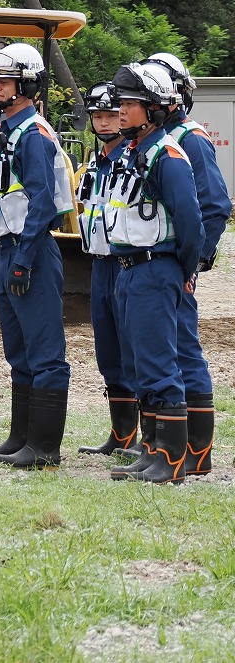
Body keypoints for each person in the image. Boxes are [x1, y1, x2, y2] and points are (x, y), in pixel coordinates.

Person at [0, 43, 74, 469]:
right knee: (19, 350)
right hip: (9, 247)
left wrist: (24, 259)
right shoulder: (9, 131)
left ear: (27, 85)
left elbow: (42, 205)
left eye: (4, 80)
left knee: (45, 351)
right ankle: (21, 437)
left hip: (31, 251)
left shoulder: (33, 135)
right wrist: (5, 258)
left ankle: (45, 448)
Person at [105, 63, 202, 484]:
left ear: (154, 110)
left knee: (161, 364)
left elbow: (193, 222)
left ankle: (172, 460)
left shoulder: (169, 156)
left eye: (130, 104)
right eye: (122, 102)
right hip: (129, 269)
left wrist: (182, 271)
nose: (121, 110)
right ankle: (152, 451)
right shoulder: (134, 151)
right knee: (141, 364)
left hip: (155, 269)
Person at [144, 51, 230, 475]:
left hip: (178, 267)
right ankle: (163, 444)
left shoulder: (190, 139)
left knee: (184, 351)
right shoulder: (156, 138)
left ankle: (198, 449)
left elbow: (214, 207)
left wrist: (193, 266)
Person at [73, 82, 137, 456]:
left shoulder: (131, 157)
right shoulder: (94, 161)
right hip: (99, 264)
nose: (104, 121)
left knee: (134, 348)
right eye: (97, 115)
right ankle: (122, 433)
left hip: (126, 263)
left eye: (111, 114)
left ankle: (152, 437)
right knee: (108, 351)